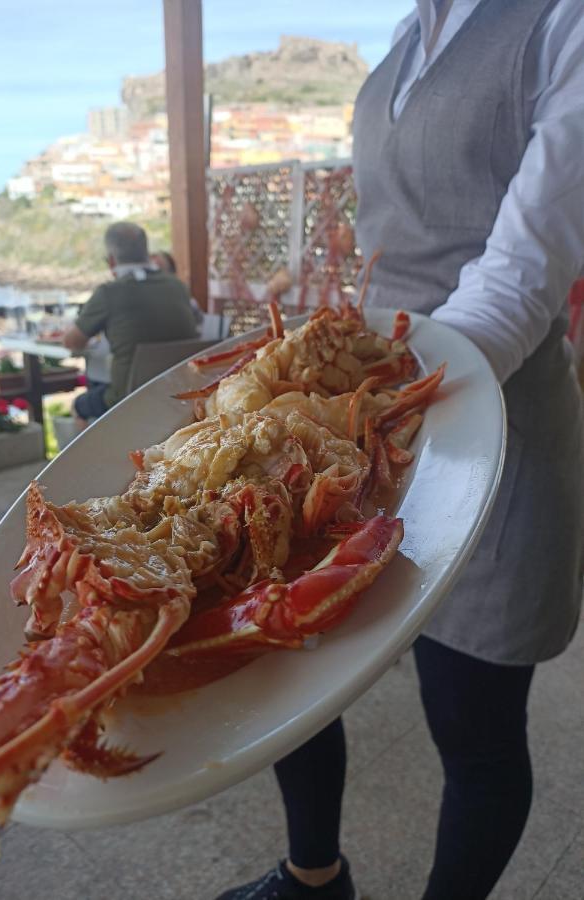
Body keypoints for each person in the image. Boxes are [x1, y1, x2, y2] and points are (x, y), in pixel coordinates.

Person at [215, 2, 584, 899]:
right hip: (365, 405)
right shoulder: (402, 40)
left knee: (473, 725)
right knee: (289, 664)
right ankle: (314, 876)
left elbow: (525, 266)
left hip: (495, 423)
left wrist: (401, 389)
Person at [63, 222, 197, 428]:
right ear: (148, 253)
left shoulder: (109, 293)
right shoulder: (178, 286)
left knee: (79, 405)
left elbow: (72, 342)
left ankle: (101, 455)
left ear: (111, 261)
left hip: (127, 397)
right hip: (180, 389)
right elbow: (197, 323)